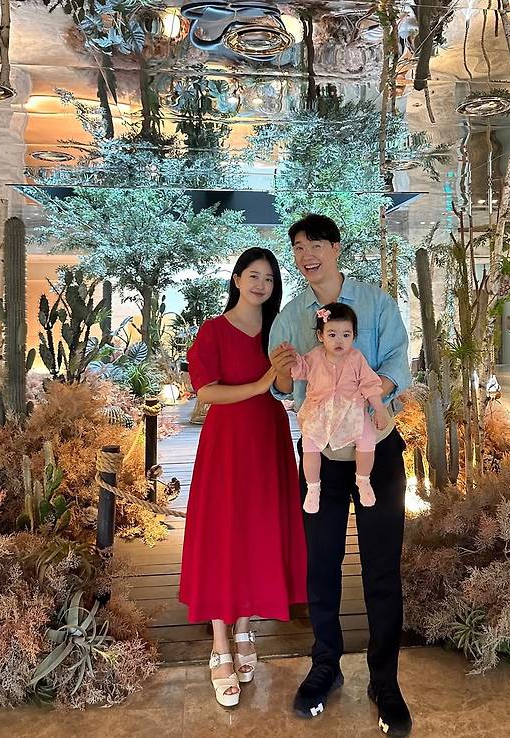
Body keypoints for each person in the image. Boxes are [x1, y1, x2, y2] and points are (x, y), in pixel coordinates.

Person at [269, 215, 413, 737]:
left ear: (335, 248)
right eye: (298, 247)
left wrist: (372, 395)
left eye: (315, 245)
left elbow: (398, 361)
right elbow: (283, 387)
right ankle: (325, 665)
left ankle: (385, 681)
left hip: (377, 447)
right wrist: (282, 372)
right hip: (321, 454)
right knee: (322, 564)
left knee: (381, 568)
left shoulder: (375, 303)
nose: (306, 255)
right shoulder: (290, 318)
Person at [179, 247, 307, 709]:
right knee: (222, 534)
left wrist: (285, 372)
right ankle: (219, 642)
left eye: (269, 279)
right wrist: (260, 382)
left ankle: (245, 628)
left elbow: (285, 390)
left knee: (258, 530)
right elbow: (206, 392)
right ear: (236, 278)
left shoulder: (278, 330)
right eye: (254, 276)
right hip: (226, 444)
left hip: (268, 440)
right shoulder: (213, 330)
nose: (261, 285)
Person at [291, 302, 390, 514]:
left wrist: (380, 410)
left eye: (346, 335)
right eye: (332, 334)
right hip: (319, 412)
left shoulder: (356, 358)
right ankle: (313, 488)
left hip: (351, 410)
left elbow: (369, 385)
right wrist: (291, 359)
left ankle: (363, 480)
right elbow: (299, 370)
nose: (339, 340)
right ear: (320, 336)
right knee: (309, 445)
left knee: (367, 437)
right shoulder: (314, 356)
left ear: (353, 336)